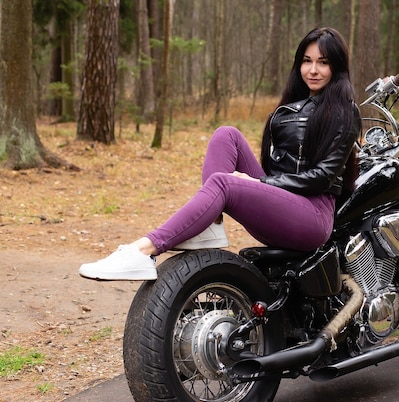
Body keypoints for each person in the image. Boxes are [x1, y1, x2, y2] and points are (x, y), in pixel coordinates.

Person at [79, 27, 361, 281]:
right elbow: (276, 167)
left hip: (312, 216)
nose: (313, 70)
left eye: (323, 63)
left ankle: (144, 250)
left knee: (224, 183)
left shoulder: (344, 110)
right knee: (226, 134)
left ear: (336, 68)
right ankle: (211, 225)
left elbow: (323, 177)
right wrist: (262, 183)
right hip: (284, 201)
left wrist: (259, 184)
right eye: (307, 61)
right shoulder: (296, 105)